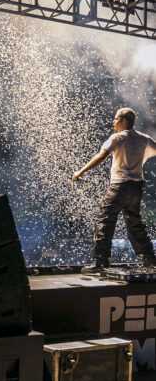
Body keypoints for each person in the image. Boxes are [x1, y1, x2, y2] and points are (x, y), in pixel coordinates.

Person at [73, 107, 156, 272]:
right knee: (134, 223)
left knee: (104, 220)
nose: (113, 121)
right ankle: (150, 260)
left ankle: (100, 262)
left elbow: (101, 156)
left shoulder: (117, 138)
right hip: (136, 187)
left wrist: (80, 172)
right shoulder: (144, 139)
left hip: (120, 185)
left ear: (123, 120)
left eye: (116, 118)